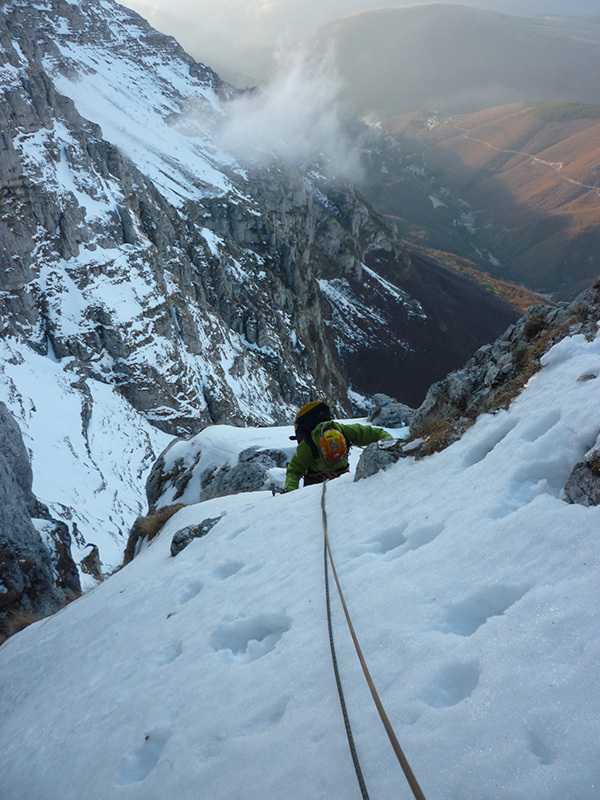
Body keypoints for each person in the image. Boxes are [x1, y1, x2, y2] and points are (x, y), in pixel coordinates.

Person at [285, 400, 393, 491]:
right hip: (323, 482)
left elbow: (377, 434)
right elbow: (294, 470)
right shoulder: (308, 446)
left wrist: (390, 445)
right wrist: (292, 491)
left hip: (338, 480)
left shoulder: (346, 432)